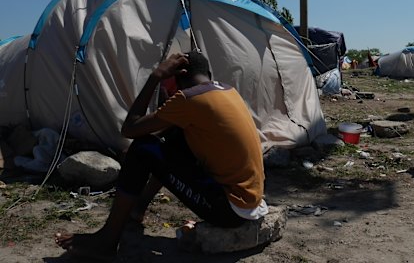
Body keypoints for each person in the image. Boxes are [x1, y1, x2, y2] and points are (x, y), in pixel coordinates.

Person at [55, 51, 268, 260]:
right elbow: (164, 136)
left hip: (227, 210)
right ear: (208, 73)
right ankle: (137, 209)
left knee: (141, 149)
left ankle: (107, 241)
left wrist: (155, 77)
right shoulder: (227, 90)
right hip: (249, 202)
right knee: (171, 137)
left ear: (178, 75)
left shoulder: (189, 98)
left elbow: (129, 128)